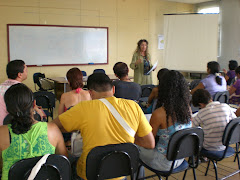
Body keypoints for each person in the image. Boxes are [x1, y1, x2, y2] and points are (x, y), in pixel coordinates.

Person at [52, 73, 155, 180]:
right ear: (113, 89)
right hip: (121, 172)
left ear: (90, 93)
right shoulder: (134, 106)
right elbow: (149, 143)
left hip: (90, 173)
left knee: (70, 160)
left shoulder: (83, 108)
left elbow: (53, 126)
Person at [0, 83, 68, 180]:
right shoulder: (52, 130)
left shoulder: (2, 133)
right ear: (34, 104)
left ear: (8, 109)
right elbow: (63, 162)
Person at [138, 70, 192, 171]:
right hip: (180, 157)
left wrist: (134, 138)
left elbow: (149, 143)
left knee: (134, 147)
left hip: (163, 162)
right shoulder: (187, 109)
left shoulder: (159, 114)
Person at [0, 60, 45, 125]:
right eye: (26, 70)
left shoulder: (1, 86)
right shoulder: (22, 90)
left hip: (3, 124)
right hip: (10, 125)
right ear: (20, 75)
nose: (27, 72)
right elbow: (28, 110)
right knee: (40, 116)